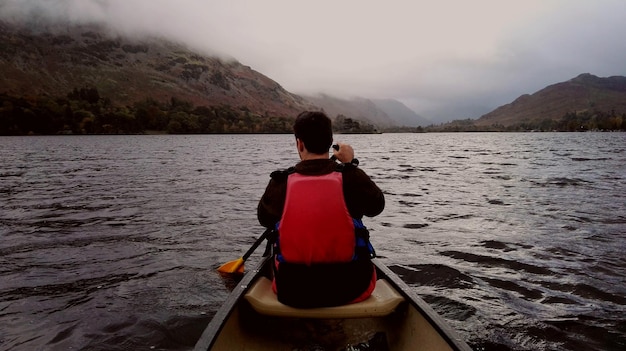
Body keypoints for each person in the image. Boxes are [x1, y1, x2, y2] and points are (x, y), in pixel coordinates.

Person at [257, 111, 385, 308]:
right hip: (353, 287)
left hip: (293, 290)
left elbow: (264, 219)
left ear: (299, 144)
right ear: (331, 143)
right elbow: (376, 207)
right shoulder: (351, 177)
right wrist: (350, 164)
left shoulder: (280, 183)